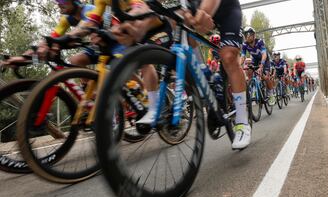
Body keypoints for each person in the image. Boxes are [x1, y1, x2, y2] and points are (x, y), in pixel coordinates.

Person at [57, 0, 173, 124]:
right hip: (132, 30)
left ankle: (154, 107)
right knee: (119, 62)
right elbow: (91, 21)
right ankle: (131, 95)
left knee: (144, 58)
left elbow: (140, 7)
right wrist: (67, 37)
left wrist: (118, 27)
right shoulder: (99, 1)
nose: (58, 3)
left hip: (156, 27)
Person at [184, 0, 251, 149]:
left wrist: (204, 10)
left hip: (226, 9)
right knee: (182, 42)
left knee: (228, 57)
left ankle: (242, 122)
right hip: (195, 10)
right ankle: (210, 88)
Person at [239, 26, 276, 106]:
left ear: (254, 35)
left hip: (264, 60)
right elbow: (242, 56)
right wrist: (239, 65)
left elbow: (264, 54)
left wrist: (262, 65)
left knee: (265, 77)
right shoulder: (245, 44)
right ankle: (254, 88)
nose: (248, 37)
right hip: (255, 60)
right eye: (246, 35)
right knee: (249, 71)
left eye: (249, 34)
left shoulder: (259, 42)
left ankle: (271, 94)